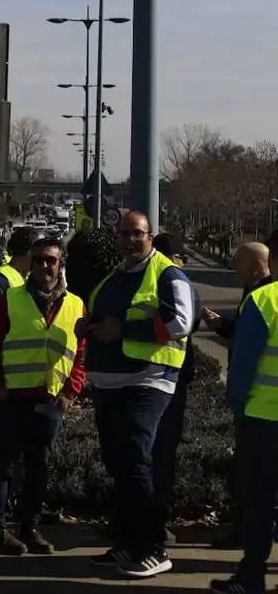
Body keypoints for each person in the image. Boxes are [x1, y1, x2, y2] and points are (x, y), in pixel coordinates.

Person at [78, 210, 195, 578]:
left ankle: (151, 548)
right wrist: (89, 325)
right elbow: (103, 316)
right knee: (120, 466)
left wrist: (124, 330)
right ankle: (128, 543)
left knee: (136, 461)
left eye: (138, 234)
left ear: (151, 236)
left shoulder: (167, 274)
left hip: (148, 381)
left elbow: (180, 322)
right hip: (110, 385)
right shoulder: (115, 275)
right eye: (125, 234)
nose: (131, 240)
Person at [0, 237, 86, 555]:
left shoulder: (76, 305)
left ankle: (30, 529)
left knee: (38, 468)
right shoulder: (10, 299)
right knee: (5, 467)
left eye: (50, 260)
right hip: (12, 398)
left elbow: (81, 352)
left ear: (61, 264)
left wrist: (70, 392)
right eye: (38, 259)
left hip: (50, 401)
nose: (43, 266)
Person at [211, 242, 278, 594]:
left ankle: (252, 576)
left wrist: (236, 406)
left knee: (258, 502)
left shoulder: (263, 302)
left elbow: (242, 366)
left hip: (262, 421)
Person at [150, 232, 202, 544]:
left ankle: (149, 521)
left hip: (158, 378)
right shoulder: (175, 282)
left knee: (148, 454)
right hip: (170, 380)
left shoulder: (149, 280)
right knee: (161, 455)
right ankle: (156, 522)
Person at [0, 226, 43, 340]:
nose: (43, 259)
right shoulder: (1, 279)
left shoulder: (26, 277)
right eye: (40, 253)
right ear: (30, 252)